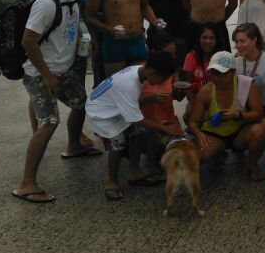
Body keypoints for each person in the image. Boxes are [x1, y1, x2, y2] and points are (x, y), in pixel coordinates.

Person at [12, 0, 101, 203]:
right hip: (39, 73)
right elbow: (28, 41)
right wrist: (47, 75)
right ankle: (26, 184)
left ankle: (74, 147)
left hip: (62, 70)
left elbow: (67, 32)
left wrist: (82, 45)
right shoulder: (46, 3)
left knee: (81, 104)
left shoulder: (71, 1)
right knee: (49, 122)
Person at [14, 0, 93, 146]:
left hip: (70, 46)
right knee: (40, 97)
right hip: (43, 50)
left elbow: (80, 10)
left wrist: (88, 39)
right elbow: (18, 8)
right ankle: (39, 133)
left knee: (77, 94)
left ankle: (75, 135)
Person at [85, 51, 183, 201]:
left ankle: (134, 173)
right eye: (162, 79)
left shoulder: (138, 70)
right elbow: (136, 119)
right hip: (100, 113)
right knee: (118, 142)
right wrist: (165, 128)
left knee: (138, 132)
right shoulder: (129, 84)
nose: (162, 83)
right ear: (151, 73)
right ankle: (111, 181)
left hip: (111, 105)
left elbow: (131, 102)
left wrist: (150, 98)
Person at [187, 51, 265, 181]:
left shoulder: (246, 85)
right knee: (199, 157)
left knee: (259, 131)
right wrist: (199, 134)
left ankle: (252, 165)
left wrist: (238, 115)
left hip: (239, 133)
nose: (216, 78)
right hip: (214, 135)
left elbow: (259, 113)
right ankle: (218, 153)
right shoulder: (205, 91)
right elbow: (193, 121)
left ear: (233, 72)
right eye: (213, 73)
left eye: (221, 74)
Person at [139, 28, 182, 180]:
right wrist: (150, 98)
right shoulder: (143, 72)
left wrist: (182, 90)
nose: (172, 58)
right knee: (155, 135)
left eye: (174, 55)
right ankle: (149, 162)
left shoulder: (171, 70)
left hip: (167, 121)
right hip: (145, 124)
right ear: (154, 52)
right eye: (169, 54)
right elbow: (130, 106)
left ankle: (157, 154)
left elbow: (177, 97)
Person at [233, 23, 265, 112]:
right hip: (243, 112)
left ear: (254, 40)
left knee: (257, 81)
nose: (238, 45)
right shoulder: (236, 62)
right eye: (236, 42)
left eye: (242, 41)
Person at [181, 22, 226, 122]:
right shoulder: (191, 57)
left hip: (217, 100)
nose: (207, 41)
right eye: (204, 37)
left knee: (206, 118)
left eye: (212, 38)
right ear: (199, 38)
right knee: (188, 117)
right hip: (196, 100)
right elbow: (188, 86)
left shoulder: (222, 58)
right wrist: (194, 103)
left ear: (217, 40)